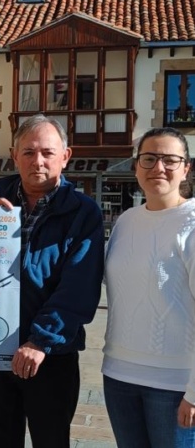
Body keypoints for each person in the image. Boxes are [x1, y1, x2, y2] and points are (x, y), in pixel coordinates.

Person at [0, 114, 104, 448]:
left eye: (47, 152)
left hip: (50, 356)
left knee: (51, 440)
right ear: (14, 155)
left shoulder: (83, 212)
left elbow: (80, 286)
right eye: (29, 152)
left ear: (66, 156)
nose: (38, 161)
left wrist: (40, 340)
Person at [103, 127, 195, 447]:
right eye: (149, 158)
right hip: (118, 377)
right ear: (136, 166)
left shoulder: (192, 223)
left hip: (174, 385)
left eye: (170, 160)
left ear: (186, 168)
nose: (158, 167)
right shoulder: (125, 221)